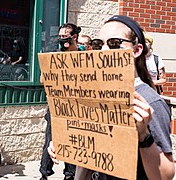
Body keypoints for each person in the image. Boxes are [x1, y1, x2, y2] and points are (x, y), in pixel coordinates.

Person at [48, 15, 175, 180]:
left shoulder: (150, 101)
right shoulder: (94, 91)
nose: (104, 51)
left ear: (137, 50)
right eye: (99, 44)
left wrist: (144, 136)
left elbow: (165, 175)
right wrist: (65, 142)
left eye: (114, 43)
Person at [40, 23, 84, 180]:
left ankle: (70, 174)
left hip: (77, 107)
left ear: (74, 37)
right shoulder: (55, 56)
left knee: (74, 141)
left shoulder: (84, 56)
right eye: (60, 36)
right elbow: (42, 80)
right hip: (57, 106)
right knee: (51, 139)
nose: (62, 39)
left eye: (65, 35)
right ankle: (44, 173)